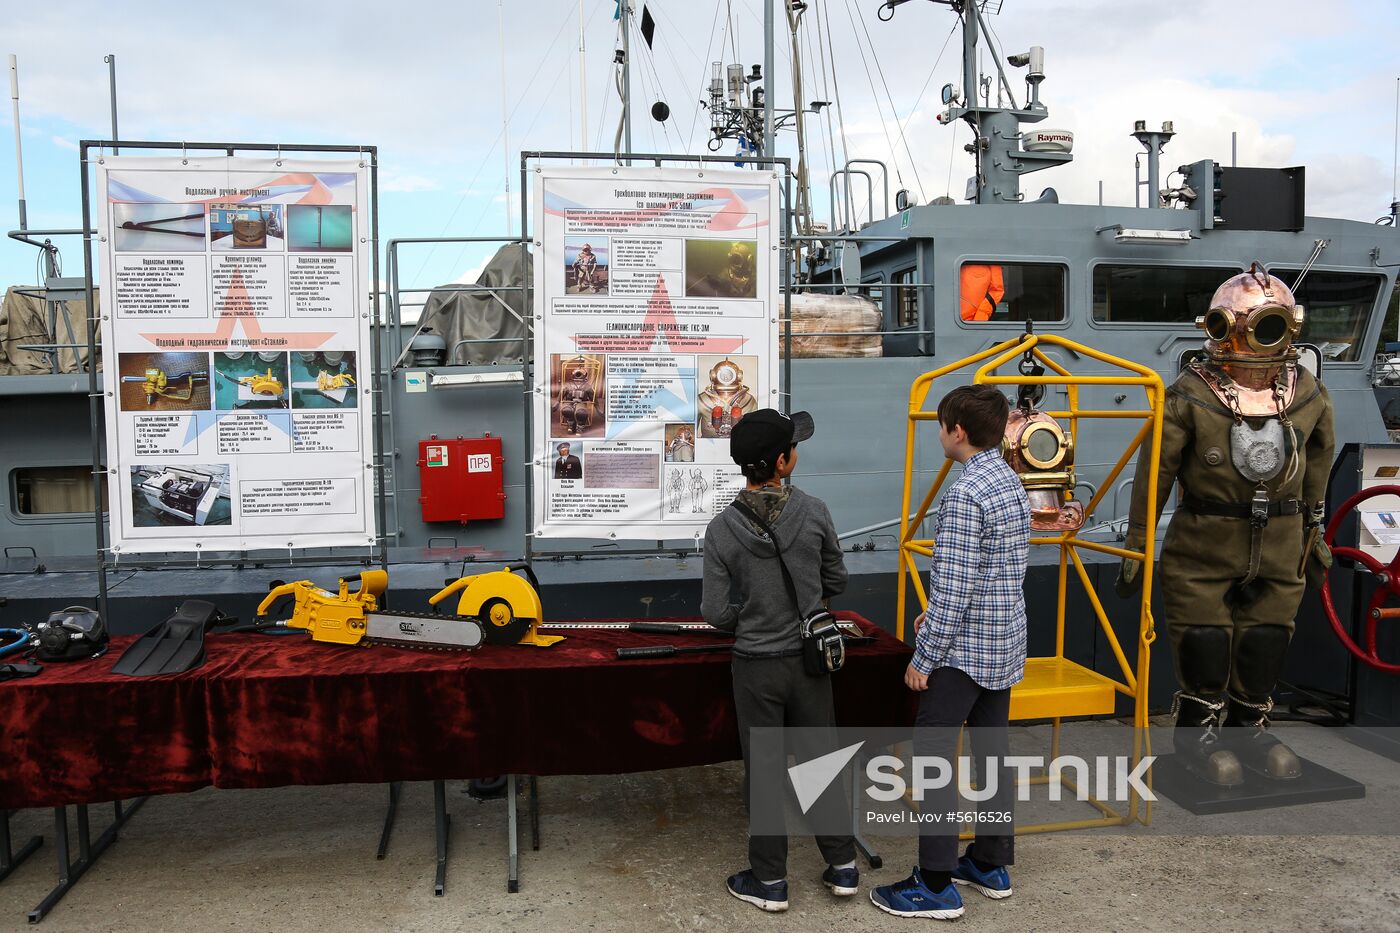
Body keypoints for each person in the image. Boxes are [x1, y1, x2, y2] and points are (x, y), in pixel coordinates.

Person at [1117, 264, 1334, 785]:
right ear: (1216, 327)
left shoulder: (1306, 394)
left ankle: (1250, 727)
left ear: (1288, 328)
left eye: (1269, 327)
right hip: (1204, 543)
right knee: (1205, 639)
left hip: (1283, 541)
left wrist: (1315, 532)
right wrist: (1139, 542)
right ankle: (1198, 734)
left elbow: (1317, 465)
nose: (1255, 341)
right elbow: (1157, 473)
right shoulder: (1190, 396)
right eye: (1249, 326)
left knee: (1266, 638)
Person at [870, 384, 1030, 921]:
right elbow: (997, 572)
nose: (939, 433)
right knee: (992, 752)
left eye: (941, 425)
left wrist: (924, 654)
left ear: (957, 431)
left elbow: (958, 584)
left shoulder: (964, 494)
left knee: (934, 761)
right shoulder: (1009, 480)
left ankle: (935, 884)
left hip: (961, 653)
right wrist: (936, 609)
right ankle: (990, 861)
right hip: (1003, 643)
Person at [701, 409, 856, 913]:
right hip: (810, 661)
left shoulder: (722, 530)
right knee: (820, 763)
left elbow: (716, 614)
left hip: (755, 666)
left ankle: (769, 881)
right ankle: (843, 866)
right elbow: (837, 581)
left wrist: (750, 612)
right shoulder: (813, 511)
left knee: (764, 772)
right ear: (784, 462)